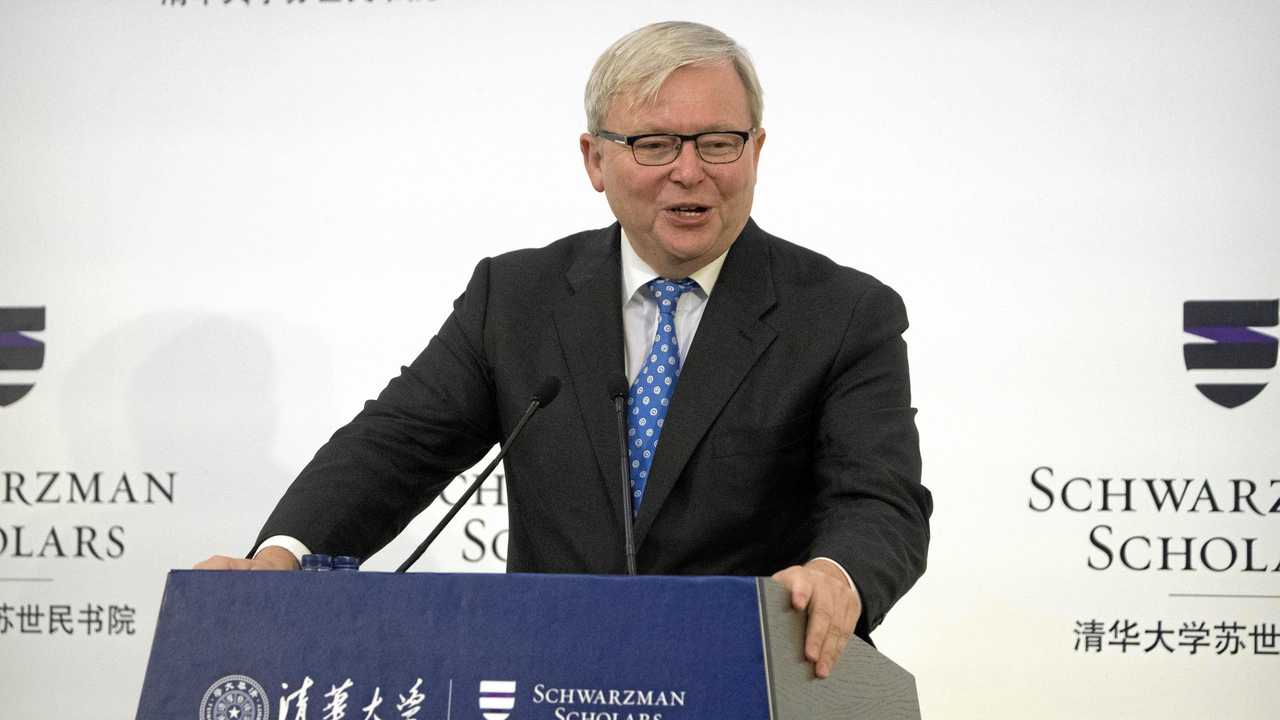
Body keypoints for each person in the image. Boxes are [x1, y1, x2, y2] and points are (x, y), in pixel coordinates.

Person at [197, 20, 931, 679]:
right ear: (594, 160)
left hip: (749, 678)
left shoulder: (843, 314)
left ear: (756, 150)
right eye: (653, 143)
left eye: (717, 142)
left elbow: (879, 500)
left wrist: (839, 575)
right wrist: (281, 562)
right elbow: (397, 446)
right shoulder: (517, 298)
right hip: (548, 674)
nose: (689, 170)